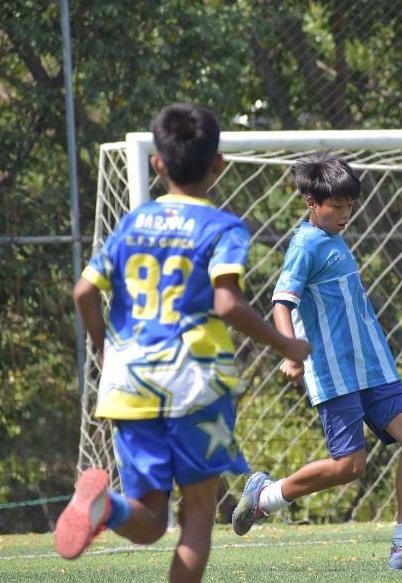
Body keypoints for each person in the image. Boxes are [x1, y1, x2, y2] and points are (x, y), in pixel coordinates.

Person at [54, 102, 311, 582]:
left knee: (150, 521)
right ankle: (106, 507)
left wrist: (105, 351)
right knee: (197, 516)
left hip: (130, 381)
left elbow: (84, 291)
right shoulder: (222, 227)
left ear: (157, 164)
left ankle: (105, 507)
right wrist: (286, 344)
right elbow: (227, 303)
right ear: (218, 163)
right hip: (196, 381)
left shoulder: (133, 223)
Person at [230, 151, 402, 571]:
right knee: (350, 466)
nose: (345, 214)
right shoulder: (305, 244)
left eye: (350, 205)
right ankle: (267, 496)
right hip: (336, 373)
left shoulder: (334, 238)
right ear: (311, 203)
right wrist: (290, 350)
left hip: (373, 366)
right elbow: (282, 301)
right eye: (336, 206)